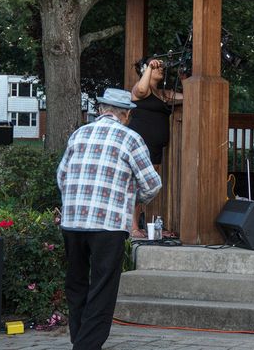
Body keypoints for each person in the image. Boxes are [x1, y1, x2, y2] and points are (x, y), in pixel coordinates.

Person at [57, 88, 162, 350]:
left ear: (102, 110)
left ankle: (79, 339)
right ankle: (87, 345)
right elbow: (152, 184)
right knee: (102, 288)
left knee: (76, 284)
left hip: (73, 221)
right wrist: (130, 198)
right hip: (109, 225)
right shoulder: (130, 138)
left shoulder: (78, 134)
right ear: (126, 114)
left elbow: (62, 176)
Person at [128, 57, 183, 238]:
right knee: (138, 184)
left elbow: (190, 96)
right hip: (142, 145)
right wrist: (149, 68)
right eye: (157, 67)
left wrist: (184, 77)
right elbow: (142, 88)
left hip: (157, 148)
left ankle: (146, 225)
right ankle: (133, 227)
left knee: (149, 187)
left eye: (160, 68)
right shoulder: (139, 90)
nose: (161, 69)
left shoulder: (163, 94)